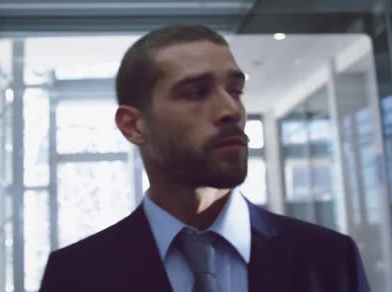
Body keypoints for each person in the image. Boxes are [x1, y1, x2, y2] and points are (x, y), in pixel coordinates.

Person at [39, 24, 370, 292]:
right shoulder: (75, 276)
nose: (232, 110)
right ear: (134, 126)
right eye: (196, 92)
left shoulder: (329, 260)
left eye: (235, 91)